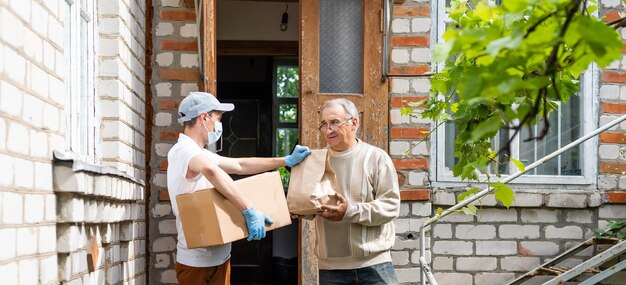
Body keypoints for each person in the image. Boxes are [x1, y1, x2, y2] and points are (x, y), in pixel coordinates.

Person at [167, 91, 311, 285]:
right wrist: (248, 209)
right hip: (197, 262)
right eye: (218, 118)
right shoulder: (183, 151)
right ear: (204, 117)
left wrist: (285, 161)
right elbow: (210, 170)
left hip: (220, 255)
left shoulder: (199, 152)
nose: (219, 125)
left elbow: (240, 165)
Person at [315, 98, 401, 285]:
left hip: (375, 266)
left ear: (354, 123)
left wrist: (349, 211)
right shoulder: (316, 161)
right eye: (323, 124)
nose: (328, 130)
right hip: (331, 270)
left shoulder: (376, 158)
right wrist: (299, 208)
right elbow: (308, 204)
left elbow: (391, 206)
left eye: (334, 122)